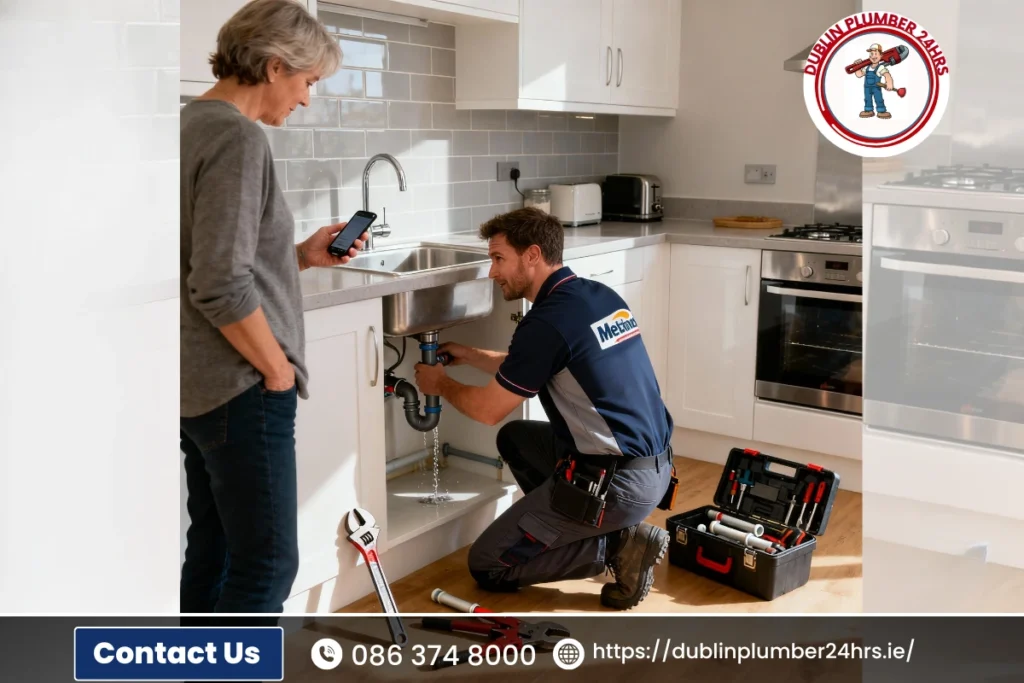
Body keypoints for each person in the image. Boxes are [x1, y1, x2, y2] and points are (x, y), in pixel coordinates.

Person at [179, 0, 368, 613]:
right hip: (241, 384)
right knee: (266, 562)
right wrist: (277, 370)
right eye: (307, 82)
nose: (307, 98)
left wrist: (301, 256)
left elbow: (211, 260)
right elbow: (218, 283)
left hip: (197, 380)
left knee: (215, 550)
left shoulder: (187, 124)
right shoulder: (236, 137)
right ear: (273, 65)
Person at [413, 207, 675, 610]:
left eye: (499, 259)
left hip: (617, 483)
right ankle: (574, 525)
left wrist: (440, 384)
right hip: (653, 468)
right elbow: (536, 364)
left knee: (487, 566)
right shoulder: (593, 296)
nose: (492, 272)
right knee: (517, 440)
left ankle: (618, 544)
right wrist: (468, 354)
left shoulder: (546, 324)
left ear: (532, 255)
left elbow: (487, 409)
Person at [856, 43, 895, 119]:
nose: (873, 56)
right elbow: (859, 75)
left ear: (881, 56)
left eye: (876, 54)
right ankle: (868, 110)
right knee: (867, 99)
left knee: (879, 99)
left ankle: (881, 111)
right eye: (871, 54)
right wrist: (857, 66)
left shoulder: (880, 67)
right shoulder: (866, 67)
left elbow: (887, 75)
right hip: (867, 88)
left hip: (876, 88)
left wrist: (889, 83)